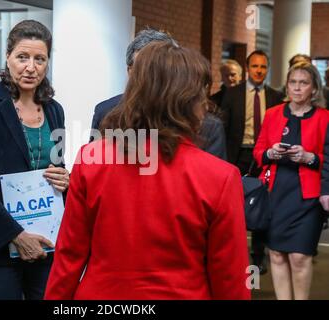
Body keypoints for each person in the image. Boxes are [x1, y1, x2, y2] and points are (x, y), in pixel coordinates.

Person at [44, 41, 250, 300]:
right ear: (187, 101)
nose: (205, 105)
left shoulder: (91, 159)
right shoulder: (220, 177)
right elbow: (229, 278)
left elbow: (70, 257)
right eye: (202, 95)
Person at [0, 20, 70, 300]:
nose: (31, 67)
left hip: (45, 242)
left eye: (39, 59)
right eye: (22, 57)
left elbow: (56, 165)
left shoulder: (55, 111)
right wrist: (16, 236)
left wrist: (65, 178)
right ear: (7, 58)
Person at [253, 61, 329, 300]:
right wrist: (270, 153)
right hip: (275, 192)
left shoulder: (325, 118)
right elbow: (258, 151)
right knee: (275, 254)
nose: (297, 88)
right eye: (293, 82)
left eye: (303, 83)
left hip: (307, 196)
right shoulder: (273, 114)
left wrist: (308, 157)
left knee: (300, 256)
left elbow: (327, 158)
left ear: (314, 89)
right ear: (286, 86)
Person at [91, 29, 227, 160]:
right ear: (130, 71)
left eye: (160, 69)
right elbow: (94, 168)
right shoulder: (106, 112)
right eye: (143, 69)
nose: (152, 77)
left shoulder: (207, 125)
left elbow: (211, 177)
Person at [221, 50, 285, 274]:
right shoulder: (232, 94)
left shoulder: (276, 97)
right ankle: (235, 253)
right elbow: (224, 127)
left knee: (261, 204)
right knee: (233, 205)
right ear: (248, 69)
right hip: (238, 156)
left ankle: (258, 256)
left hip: (265, 157)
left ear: (267, 69)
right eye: (255, 66)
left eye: (263, 67)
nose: (259, 71)